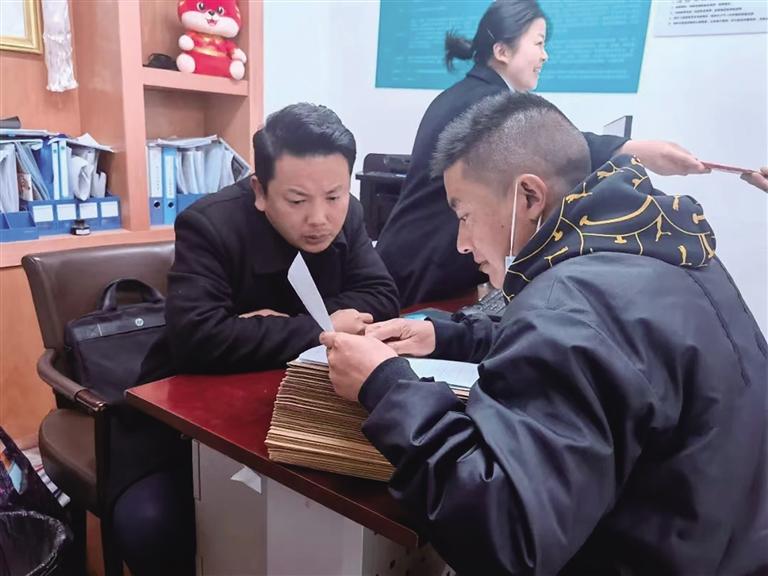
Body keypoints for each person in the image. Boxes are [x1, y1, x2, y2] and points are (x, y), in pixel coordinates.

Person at [320, 92, 767, 575]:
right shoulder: (661, 246)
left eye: (464, 215)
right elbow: (611, 353)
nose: (462, 243)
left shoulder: (568, 305)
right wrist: (446, 337)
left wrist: (386, 387)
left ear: (529, 197)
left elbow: (505, 536)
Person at [115, 103, 400, 575]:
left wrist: (275, 325)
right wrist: (318, 328)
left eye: (334, 195)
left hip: (301, 405)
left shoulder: (346, 213)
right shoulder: (209, 224)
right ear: (259, 191)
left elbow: (383, 297)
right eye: (297, 200)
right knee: (150, 524)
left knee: (353, 506)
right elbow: (197, 338)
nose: (319, 218)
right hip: (192, 414)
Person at [376, 0, 709, 307]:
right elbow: (548, 148)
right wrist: (633, 149)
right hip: (422, 270)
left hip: (421, 263)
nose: (545, 55)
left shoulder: (473, 94)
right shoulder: (484, 104)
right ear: (502, 50)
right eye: (538, 43)